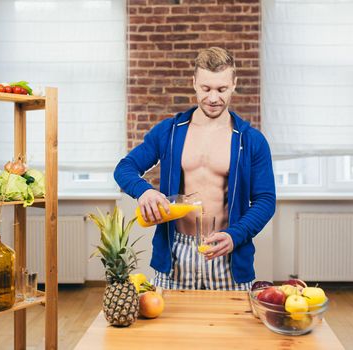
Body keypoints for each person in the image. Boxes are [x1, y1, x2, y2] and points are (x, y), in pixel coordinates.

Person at [114, 47, 275, 290]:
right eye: (205, 88)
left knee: (232, 329)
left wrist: (236, 235)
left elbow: (265, 200)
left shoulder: (251, 140)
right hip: (175, 255)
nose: (212, 98)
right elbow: (125, 168)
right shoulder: (168, 132)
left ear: (234, 84)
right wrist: (144, 191)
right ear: (194, 83)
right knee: (170, 328)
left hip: (228, 255)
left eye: (221, 89)